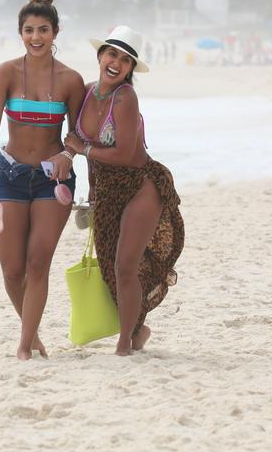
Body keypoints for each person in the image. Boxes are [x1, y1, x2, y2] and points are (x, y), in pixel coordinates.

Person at [0, 0, 85, 360]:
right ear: (20, 33)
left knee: (39, 263)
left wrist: (68, 154)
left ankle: (24, 346)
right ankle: (33, 333)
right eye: (29, 30)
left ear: (55, 33)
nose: (36, 37)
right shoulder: (5, 73)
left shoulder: (71, 80)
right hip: (8, 176)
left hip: (52, 181)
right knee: (11, 271)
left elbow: (79, 133)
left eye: (43, 30)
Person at [65, 25, 184, 356]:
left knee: (125, 266)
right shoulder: (86, 94)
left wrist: (82, 149)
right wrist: (90, 194)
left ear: (131, 69)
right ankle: (137, 331)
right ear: (100, 56)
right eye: (112, 54)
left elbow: (124, 155)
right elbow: (83, 149)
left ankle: (123, 347)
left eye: (126, 59)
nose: (116, 62)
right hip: (106, 189)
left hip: (140, 185)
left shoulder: (127, 97)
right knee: (108, 268)